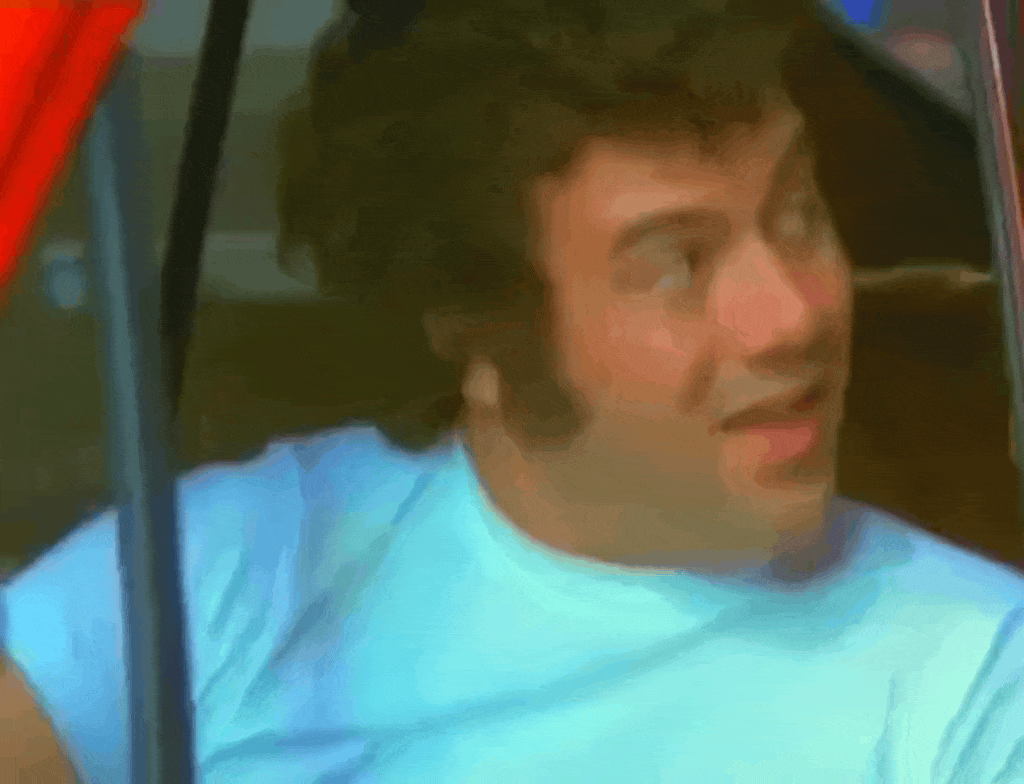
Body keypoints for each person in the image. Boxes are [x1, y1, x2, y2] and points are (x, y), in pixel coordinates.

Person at [3, 1, 1022, 781]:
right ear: (482, 329)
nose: (791, 315)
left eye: (798, 213)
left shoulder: (977, 681)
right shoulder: (236, 566)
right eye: (677, 262)